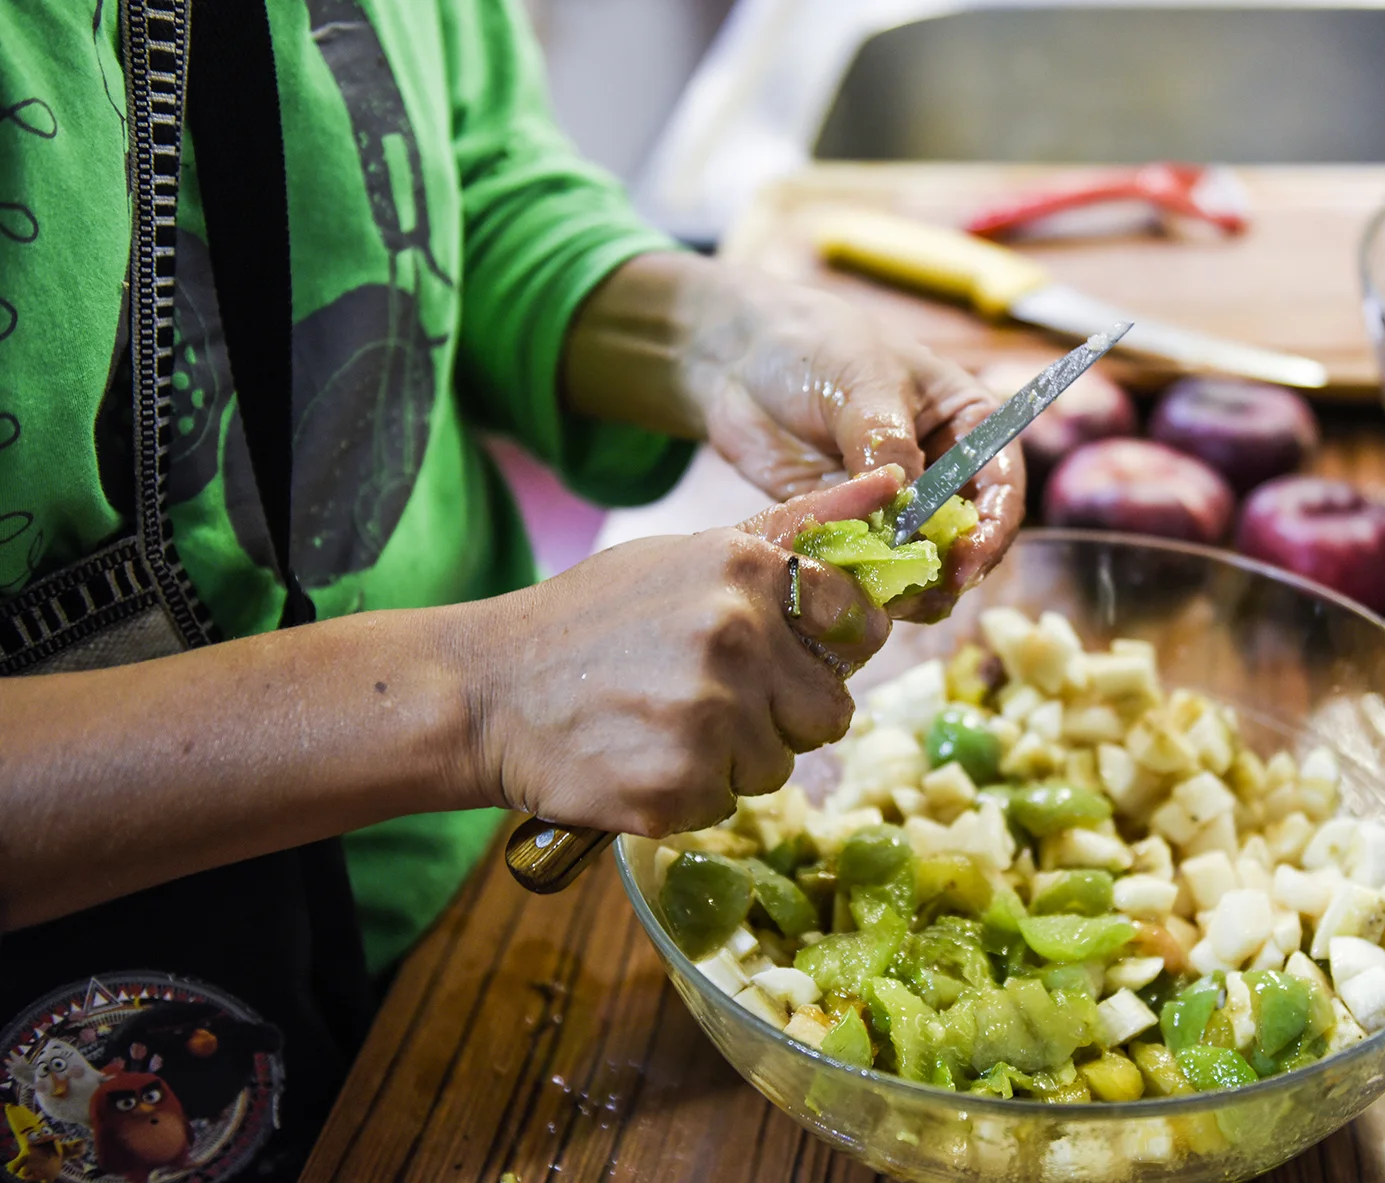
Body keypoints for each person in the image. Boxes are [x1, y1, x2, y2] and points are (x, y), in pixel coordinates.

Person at [0, 1, 1024, 1177]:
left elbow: (459, 182)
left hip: (467, 894)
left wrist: (722, 338)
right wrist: (476, 695)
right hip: (86, 1054)